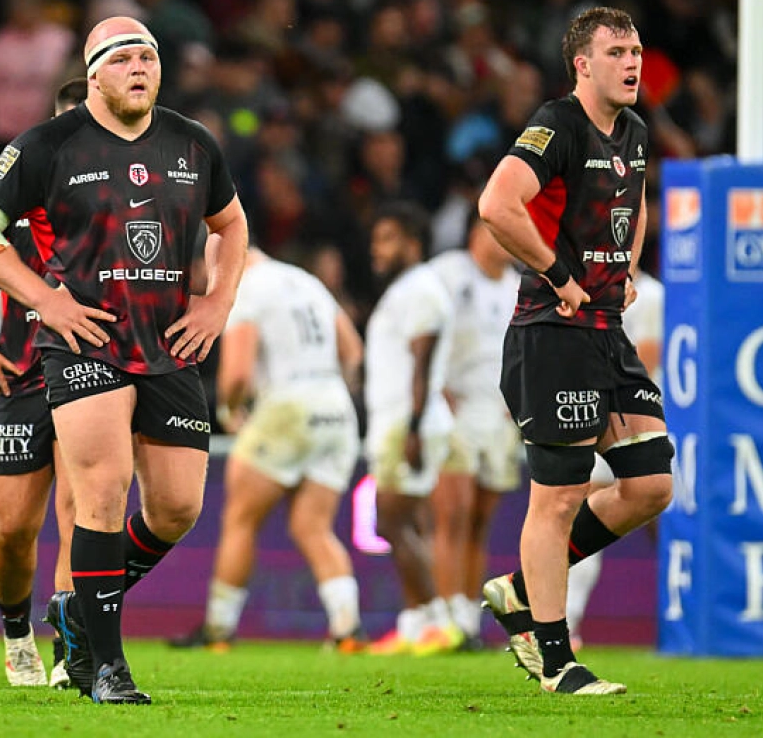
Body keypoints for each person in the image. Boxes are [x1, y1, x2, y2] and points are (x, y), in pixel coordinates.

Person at [0, 16, 249, 704]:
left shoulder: (193, 142)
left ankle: (78, 613)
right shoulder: (48, 143)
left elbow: (230, 225)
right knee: (102, 491)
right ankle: (106, 669)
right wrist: (45, 302)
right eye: (124, 59)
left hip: (170, 345)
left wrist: (218, 304)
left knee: (177, 508)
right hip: (83, 343)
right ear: (93, 73)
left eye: (149, 56)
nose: (140, 68)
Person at [478, 6, 673, 695]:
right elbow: (498, 203)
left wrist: (625, 276)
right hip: (550, 333)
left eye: (638, 50)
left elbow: (636, 204)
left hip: (604, 330)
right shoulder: (557, 124)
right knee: (556, 499)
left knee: (650, 482)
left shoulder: (637, 132)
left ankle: (520, 588)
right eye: (618, 51)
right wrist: (561, 277)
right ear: (582, 64)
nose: (633, 62)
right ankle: (556, 661)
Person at [0, 78, 88, 688]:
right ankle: (14, 629)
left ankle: (69, 651)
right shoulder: (18, 194)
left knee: (82, 515)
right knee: (13, 531)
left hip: (90, 372)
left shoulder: (124, 198)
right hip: (21, 377)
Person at [168, 244, 365, 651]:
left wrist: (229, 409)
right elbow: (353, 351)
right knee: (313, 527)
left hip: (287, 406)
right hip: (335, 408)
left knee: (242, 519)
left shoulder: (246, 287)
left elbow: (237, 372)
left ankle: (218, 632)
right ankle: (348, 630)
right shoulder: (305, 279)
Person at [362, 204, 463, 656]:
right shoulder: (407, 289)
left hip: (407, 420)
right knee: (409, 523)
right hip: (401, 419)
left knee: (393, 519)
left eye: (387, 237)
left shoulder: (420, 289)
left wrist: (415, 425)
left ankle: (435, 621)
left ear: (412, 242)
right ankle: (419, 622)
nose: (376, 248)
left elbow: (422, 361)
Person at [427, 211, 522, 648]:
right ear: (474, 233)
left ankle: (466, 613)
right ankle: (447, 615)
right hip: (455, 411)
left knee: (481, 520)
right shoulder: (446, 275)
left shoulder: (518, 285)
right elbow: (423, 328)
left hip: (497, 415)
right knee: (453, 514)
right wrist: (436, 387)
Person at [565, 268, 664, 647]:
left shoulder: (651, 295)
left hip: (634, 418)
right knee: (582, 508)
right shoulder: (587, 289)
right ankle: (566, 620)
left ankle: (681, 611)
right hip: (596, 414)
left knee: (655, 514)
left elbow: (647, 361)